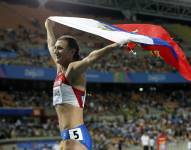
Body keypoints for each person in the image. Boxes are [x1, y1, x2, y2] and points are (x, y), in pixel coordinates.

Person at [45, 19, 129, 150]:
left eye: (60, 48)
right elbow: (50, 44)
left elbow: (91, 58)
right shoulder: (59, 69)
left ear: (72, 52)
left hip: (75, 136)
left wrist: (117, 44)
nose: (55, 51)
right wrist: (48, 26)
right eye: (56, 48)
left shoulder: (73, 69)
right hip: (67, 135)